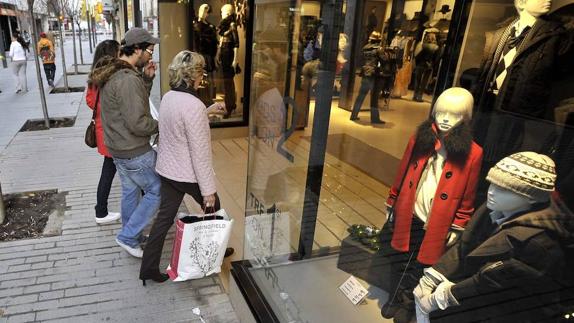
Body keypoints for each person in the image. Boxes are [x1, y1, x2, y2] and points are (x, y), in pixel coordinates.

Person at [413, 152, 574, 322]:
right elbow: (466, 245)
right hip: (478, 297)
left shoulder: (538, 242)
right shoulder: (493, 208)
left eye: (505, 189)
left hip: (506, 310)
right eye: (493, 184)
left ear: (532, 198)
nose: (492, 192)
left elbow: (492, 281)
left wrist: (444, 297)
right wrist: (433, 276)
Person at [381, 88, 483, 322]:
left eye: (455, 115)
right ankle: (394, 295)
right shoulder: (420, 139)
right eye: (441, 113)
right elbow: (403, 170)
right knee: (399, 256)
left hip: (437, 220)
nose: (446, 119)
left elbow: (468, 195)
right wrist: (392, 201)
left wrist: (458, 225)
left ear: (465, 118)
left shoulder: (473, 153)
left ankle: (408, 303)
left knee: (423, 264)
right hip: (411, 210)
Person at [139, 50, 230, 285]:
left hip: (168, 169)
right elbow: (200, 154)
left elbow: (178, 125)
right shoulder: (194, 105)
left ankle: (148, 268)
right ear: (192, 76)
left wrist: (206, 111)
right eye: (201, 73)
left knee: (163, 219)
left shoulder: (169, 97)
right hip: (186, 172)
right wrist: (207, 190)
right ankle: (213, 251)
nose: (203, 78)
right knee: (213, 205)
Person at [90, 28, 160, 258]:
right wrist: (162, 125)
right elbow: (138, 122)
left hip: (118, 149)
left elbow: (131, 105)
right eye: (149, 50)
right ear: (137, 49)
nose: (151, 56)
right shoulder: (127, 78)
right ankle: (128, 236)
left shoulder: (114, 72)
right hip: (133, 150)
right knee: (157, 190)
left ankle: (132, 235)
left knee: (131, 192)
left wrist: (147, 81)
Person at [86, 40, 121, 225]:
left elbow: (90, 101)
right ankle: (100, 211)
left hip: (103, 131)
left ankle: (101, 210)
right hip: (111, 132)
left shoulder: (95, 76)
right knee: (110, 172)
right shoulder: (111, 77)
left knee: (113, 170)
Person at [349, 31, 386, 124]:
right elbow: (384, 60)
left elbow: (362, 60)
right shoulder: (379, 49)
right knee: (374, 97)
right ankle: (375, 118)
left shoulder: (365, 47)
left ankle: (353, 115)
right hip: (374, 74)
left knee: (361, 95)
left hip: (365, 72)